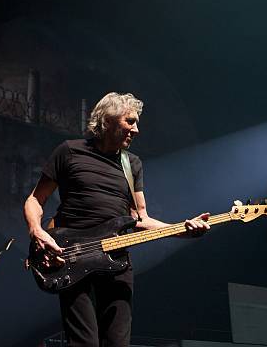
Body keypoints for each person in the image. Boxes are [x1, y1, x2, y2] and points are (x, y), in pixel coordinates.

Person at [23, 92, 210, 347]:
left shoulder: (131, 164)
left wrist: (181, 230)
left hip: (117, 260)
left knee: (118, 342)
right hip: (72, 257)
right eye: (130, 121)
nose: (136, 129)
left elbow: (139, 219)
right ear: (107, 121)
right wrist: (36, 230)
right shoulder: (69, 151)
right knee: (84, 342)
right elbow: (35, 199)